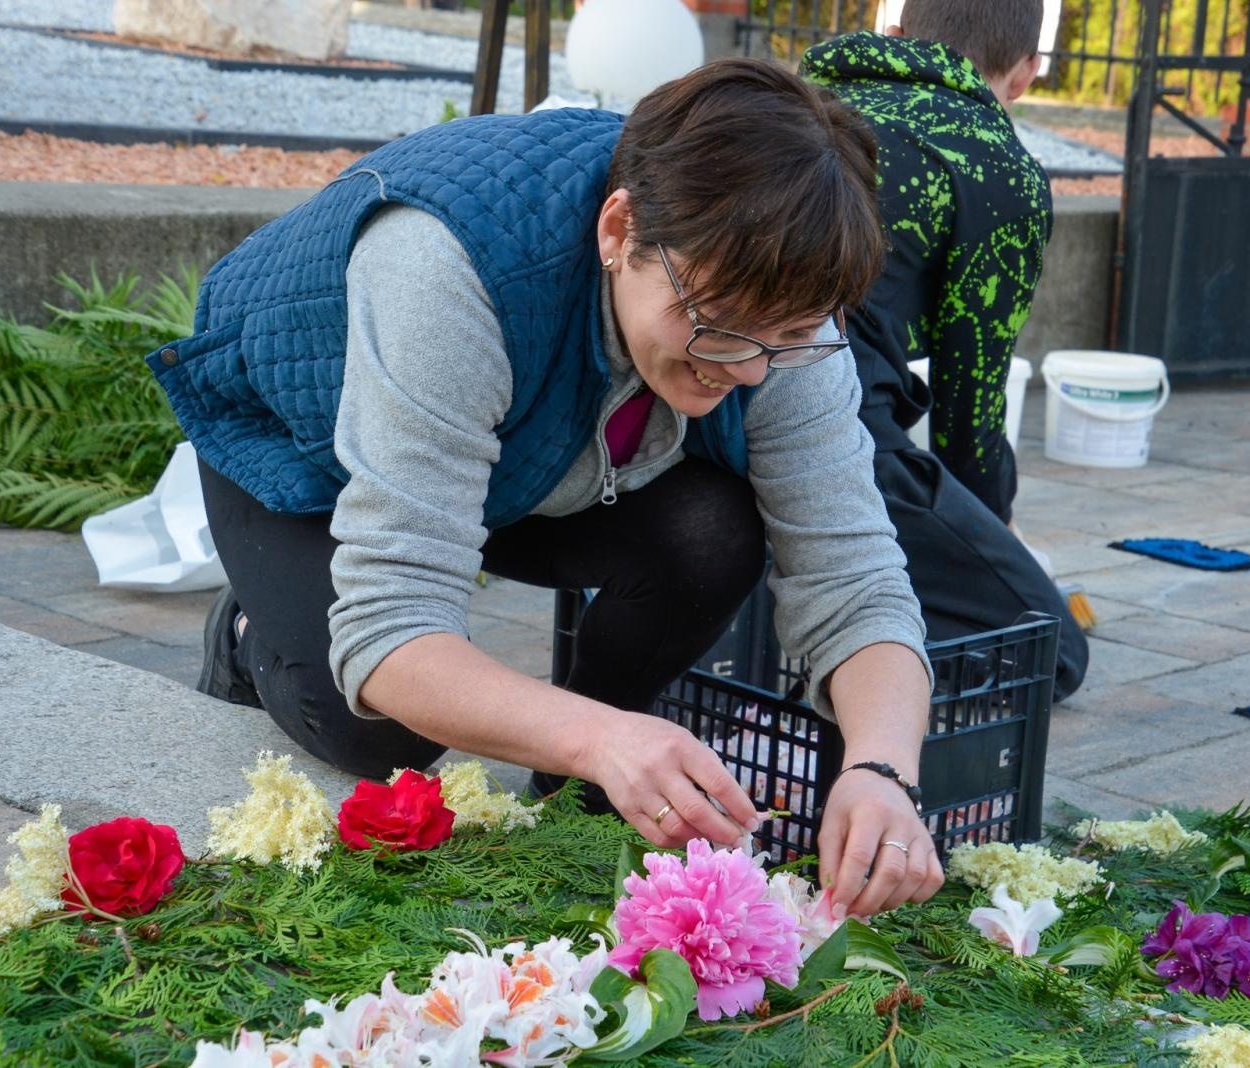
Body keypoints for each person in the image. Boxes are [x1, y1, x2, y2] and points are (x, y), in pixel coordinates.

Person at [154, 59, 944, 918]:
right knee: (380, 731)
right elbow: (393, 625)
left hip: (530, 454)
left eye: (785, 336)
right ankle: (248, 630)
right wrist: (595, 736)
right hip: (302, 446)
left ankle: (584, 791)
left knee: (712, 534)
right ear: (619, 229)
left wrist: (881, 771)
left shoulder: (778, 303)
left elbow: (854, 575)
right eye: (717, 328)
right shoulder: (448, 261)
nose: (750, 369)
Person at [801, 0, 1089, 701]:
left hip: (702, 390)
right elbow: (969, 407)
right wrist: (993, 531)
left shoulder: (801, 97)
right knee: (1050, 650)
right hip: (826, 425)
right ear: (1027, 73)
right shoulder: (998, 165)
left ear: (895, 34)